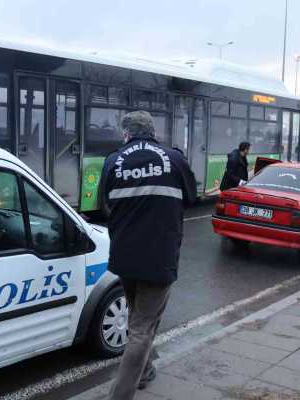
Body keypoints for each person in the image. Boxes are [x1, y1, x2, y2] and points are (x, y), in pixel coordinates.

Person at [101, 110, 196, 400]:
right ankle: (120, 394)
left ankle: (145, 370)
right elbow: (191, 197)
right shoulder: (174, 158)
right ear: (152, 131)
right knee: (142, 327)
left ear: (126, 134)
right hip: (159, 258)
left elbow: (105, 201)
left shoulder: (113, 161)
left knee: (138, 317)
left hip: (124, 257)